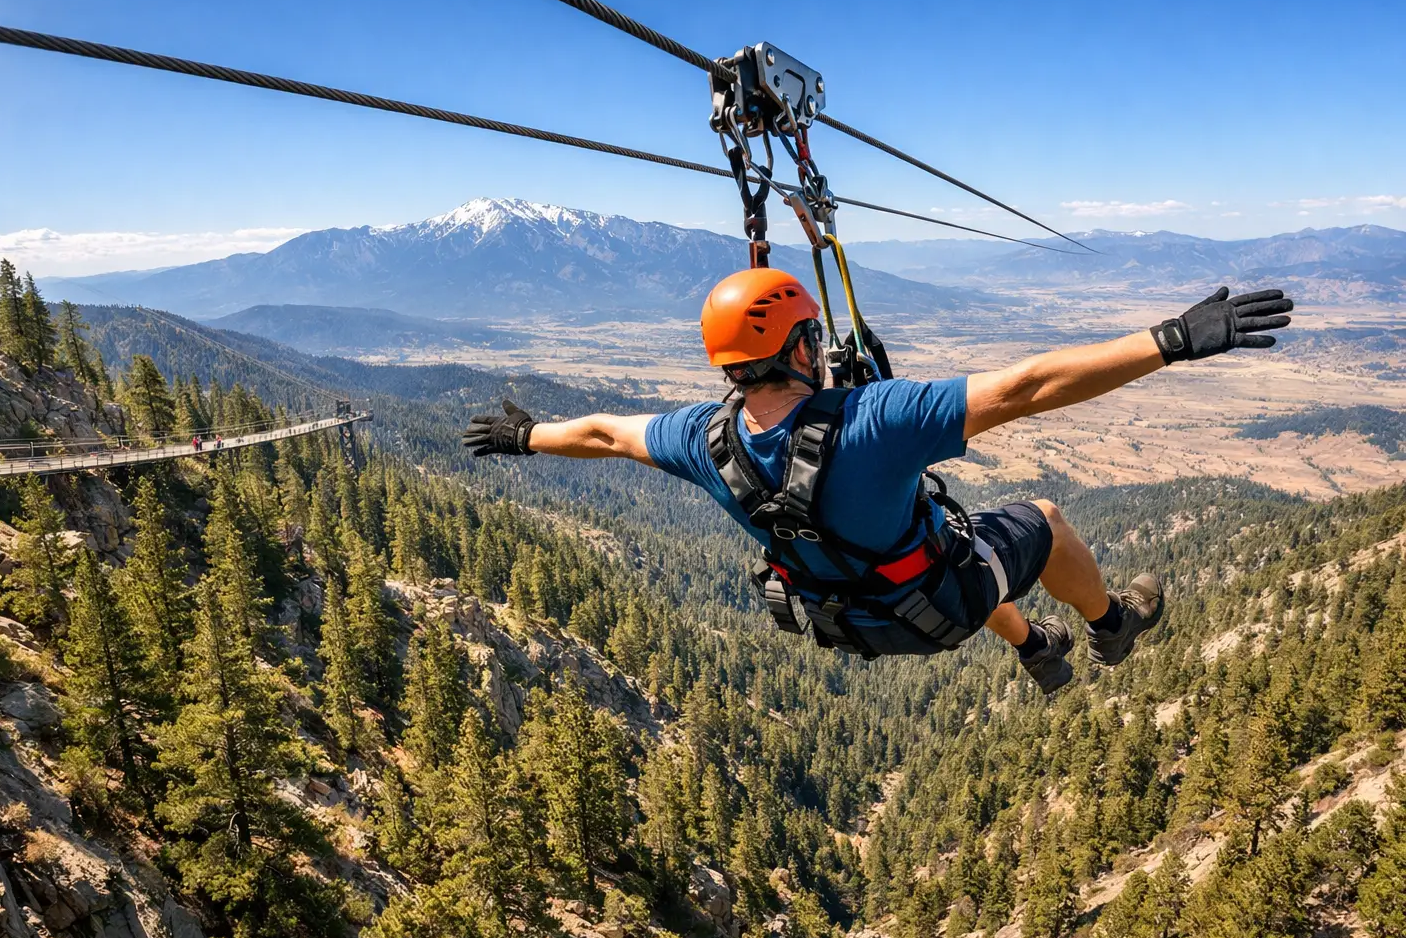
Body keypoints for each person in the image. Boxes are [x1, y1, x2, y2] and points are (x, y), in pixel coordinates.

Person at [463, 269, 1293, 691]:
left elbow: (605, 432)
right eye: (812, 337)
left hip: (843, 616)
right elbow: (1027, 386)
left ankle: (1038, 650)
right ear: (797, 349)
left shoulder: (698, 437)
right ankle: (1113, 626)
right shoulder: (876, 420)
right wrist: (1172, 339)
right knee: (1036, 519)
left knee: (939, 543)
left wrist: (525, 435)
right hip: (934, 607)